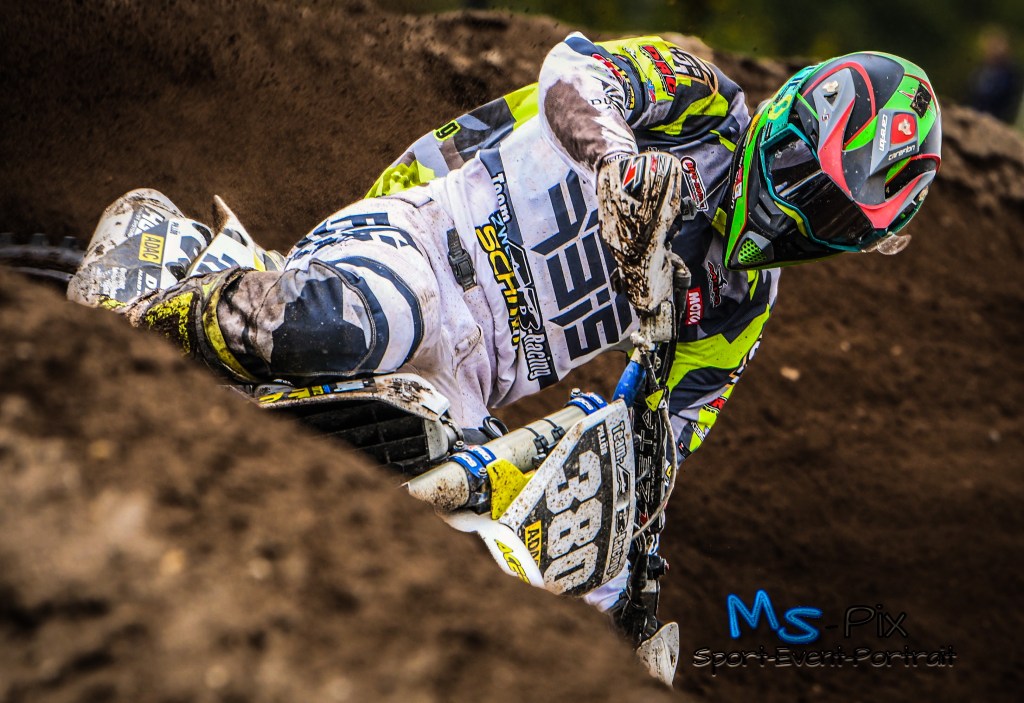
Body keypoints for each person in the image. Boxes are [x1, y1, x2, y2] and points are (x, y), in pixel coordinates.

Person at [67, 29, 941, 644]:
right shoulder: (704, 102)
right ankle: (145, 300)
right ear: (786, 117)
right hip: (428, 243)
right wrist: (617, 163)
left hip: (465, 386)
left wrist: (621, 601)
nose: (796, 215)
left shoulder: (739, 303)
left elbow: (656, 447)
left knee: (502, 560)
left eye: (829, 221)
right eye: (801, 177)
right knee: (356, 322)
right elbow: (575, 73)